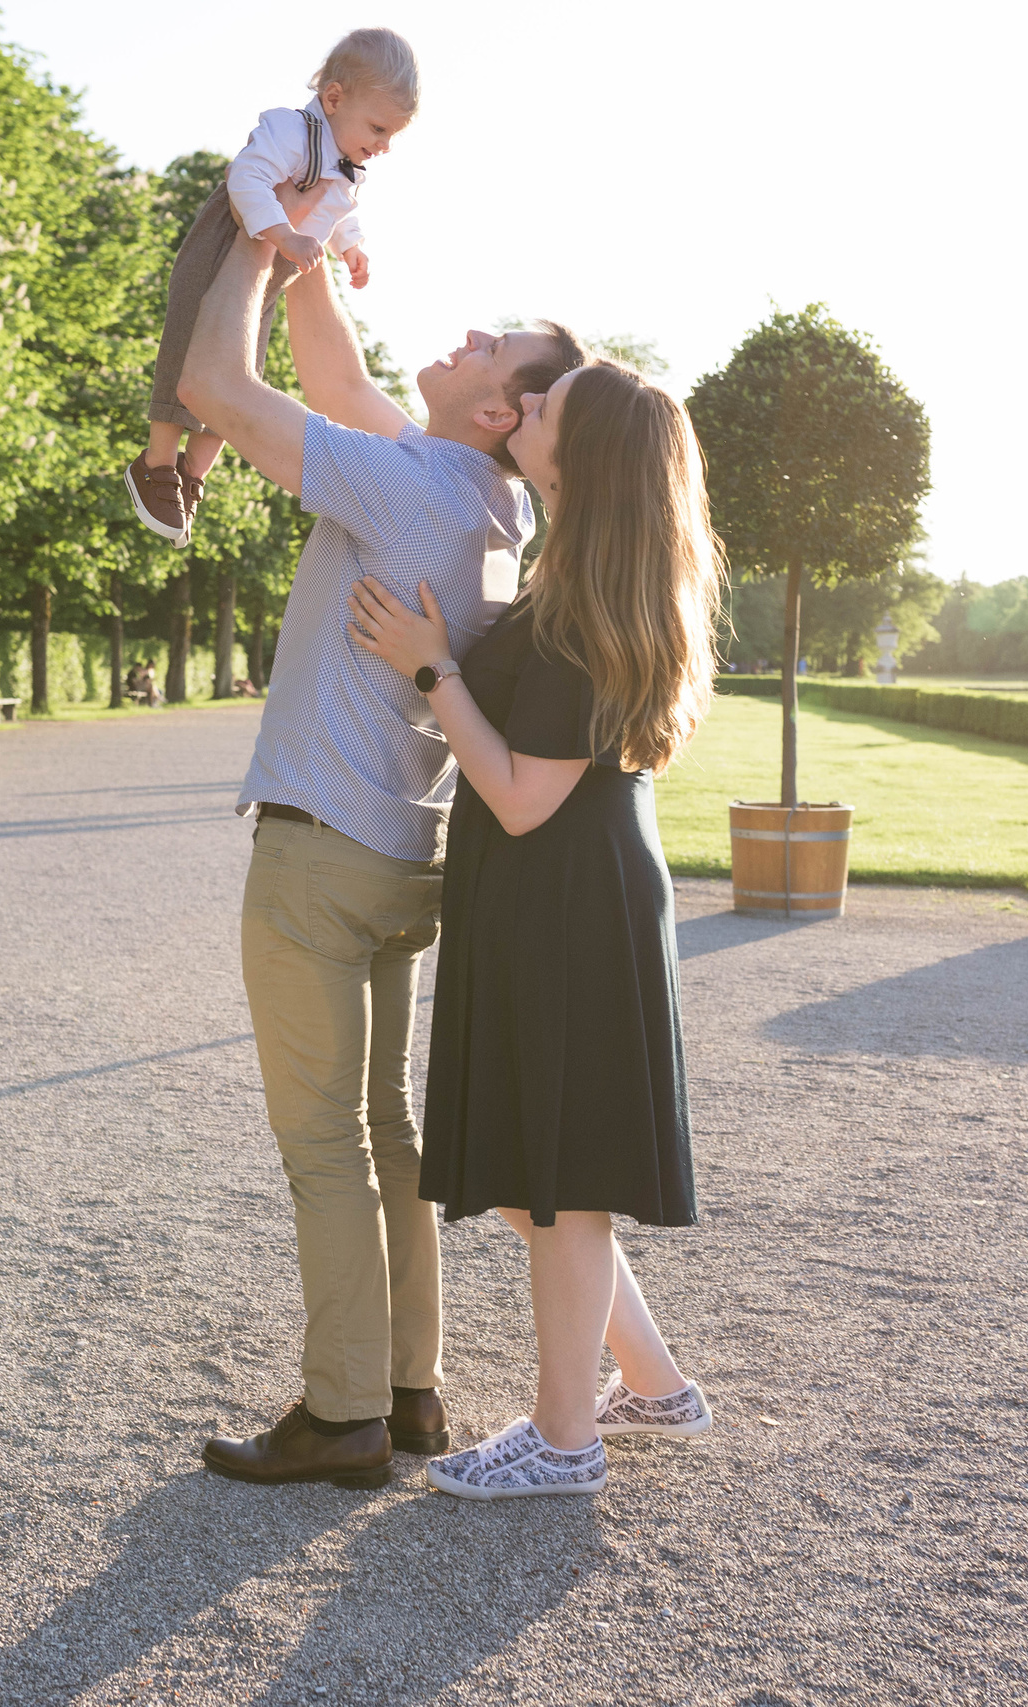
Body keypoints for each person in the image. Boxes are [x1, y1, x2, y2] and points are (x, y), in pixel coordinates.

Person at [174, 174, 584, 1488]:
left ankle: (342, 1408)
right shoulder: (478, 501)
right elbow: (338, 383)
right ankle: (410, 1390)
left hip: (319, 852)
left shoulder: (410, 491)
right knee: (385, 1129)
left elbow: (214, 392)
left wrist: (253, 234)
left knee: (324, 1143)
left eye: (484, 345)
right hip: (402, 852)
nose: (459, 336)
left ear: (500, 408)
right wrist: (314, 267)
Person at [347, 361, 721, 1499]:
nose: (532, 409)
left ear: (587, 456)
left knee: (556, 1182)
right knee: (538, 1173)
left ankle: (565, 1442)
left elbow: (517, 794)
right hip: (551, 900)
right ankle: (650, 1382)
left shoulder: (589, 615)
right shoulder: (584, 581)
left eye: (551, 405)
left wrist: (430, 671)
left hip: (568, 905)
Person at [126, 28, 417, 549]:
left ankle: (194, 473)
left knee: (245, 370)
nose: (384, 145)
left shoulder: (351, 163)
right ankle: (156, 463)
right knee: (187, 344)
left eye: (392, 134)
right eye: (378, 127)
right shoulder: (293, 130)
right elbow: (248, 177)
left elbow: (339, 209)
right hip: (230, 240)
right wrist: (283, 232)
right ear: (333, 98)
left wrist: (350, 247)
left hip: (272, 270)